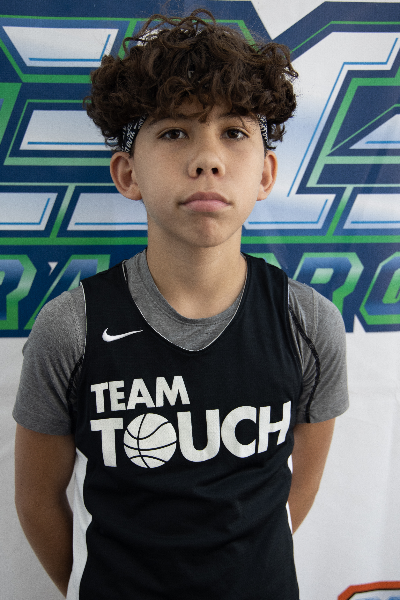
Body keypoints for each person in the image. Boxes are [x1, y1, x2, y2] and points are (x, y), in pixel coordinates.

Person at [13, 9, 348, 600]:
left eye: (234, 132)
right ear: (128, 173)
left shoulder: (307, 322)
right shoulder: (71, 327)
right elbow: (37, 499)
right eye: (174, 132)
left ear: (265, 173)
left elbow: (296, 490)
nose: (207, 159)